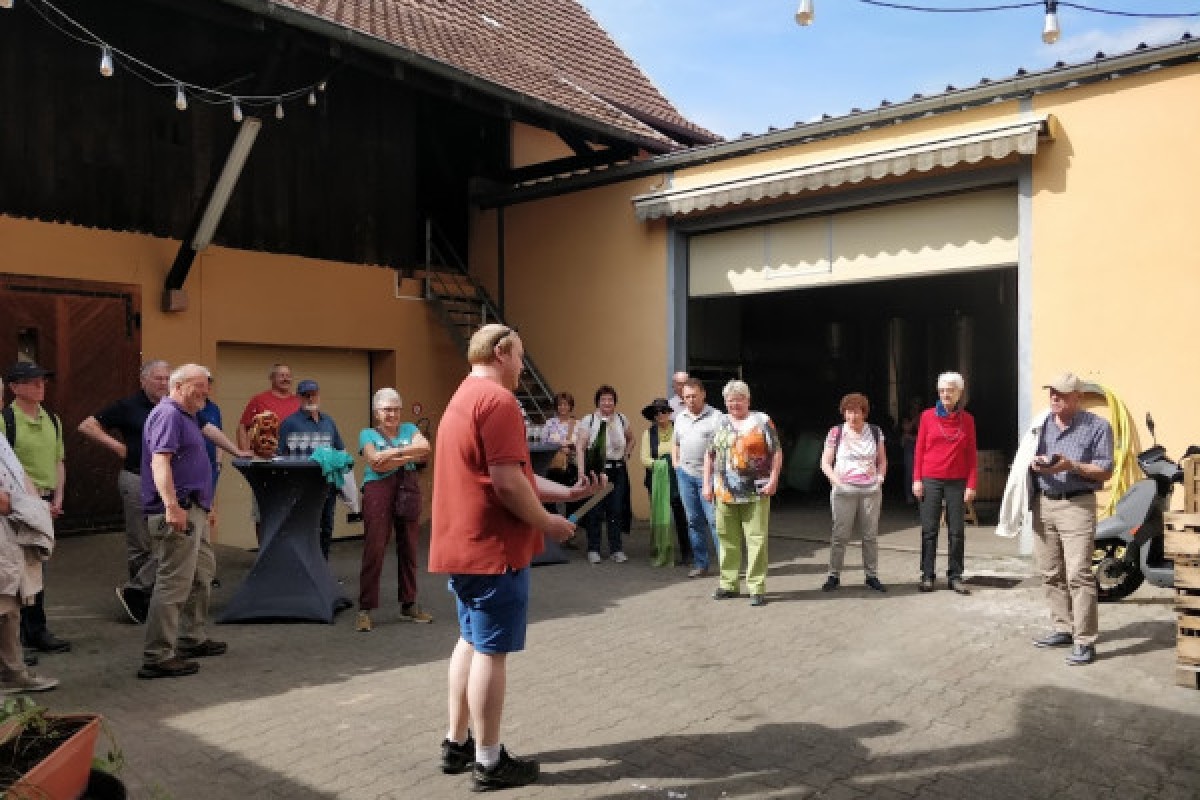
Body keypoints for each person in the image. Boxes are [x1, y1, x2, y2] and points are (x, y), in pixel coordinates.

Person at [429, 324, 605, 791]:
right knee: (491, 650)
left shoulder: (462, 396)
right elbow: (507, 485)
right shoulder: (500, 402)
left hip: (464, 545)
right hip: (494, 549)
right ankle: (488, 762)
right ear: (502, 351)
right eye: (521, 357)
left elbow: (513, 476)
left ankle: (457, 743)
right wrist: (548, 524)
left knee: (469, 639)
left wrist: (566, 492)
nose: (524, 367)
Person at [137, 364, 226, 679]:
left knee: (202, 574)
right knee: (173, 583)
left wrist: (238, 450)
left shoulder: (188, 414)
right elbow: (160, 461)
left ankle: (192, 638)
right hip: (177, 512)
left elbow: (207, 438)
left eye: (207, 385)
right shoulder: (168, 415)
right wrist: (172, 506)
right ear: (179, 385)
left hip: (195, 509)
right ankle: (157, 656)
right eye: (200, 385)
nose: (206, 391)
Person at [1029, 372, 1113, 666]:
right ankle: (1062, 628)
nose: (1054, 397)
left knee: (1079, 574)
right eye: (1052, 392)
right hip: (1044, 504)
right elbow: (1029, 456)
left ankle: (1085, 640)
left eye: (1062, 394)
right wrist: (1035, 463)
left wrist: (1071, 465)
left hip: (1077, 505)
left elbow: (1105, 470)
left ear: (1078, 397)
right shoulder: (1041, 425)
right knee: (1050, 571)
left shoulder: (1098, 426)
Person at [1, 362, 71, 656]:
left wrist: (57, 498)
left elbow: (59, 461)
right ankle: (15, 641)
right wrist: (29, 504)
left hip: (42, 502)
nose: (40, 385)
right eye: (32, 382)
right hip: (14, 505)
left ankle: (35, 631)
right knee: (13, 572)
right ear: (15, 388)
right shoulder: (6, 420)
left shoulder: (52, 419)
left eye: (42, 381)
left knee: (36, 568)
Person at [355, 388, 431, 632]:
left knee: (409, 546)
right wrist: (409, 454)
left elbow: (426, 448)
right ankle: (365, 609)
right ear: (377, 413)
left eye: (396, 409)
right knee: (375, 547)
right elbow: (375, 464)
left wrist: (392, 453)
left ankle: (408, 604)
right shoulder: (366, 433)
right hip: (378, 489)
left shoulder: (409, 428)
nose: (393, 414)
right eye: (387, 410)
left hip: (407, 487)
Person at [702, 381, 782, 606]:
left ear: (748, 400)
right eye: (730, 400)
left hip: (756, 491)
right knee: (727, 539)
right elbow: (709, 455)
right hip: (724, 492)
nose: (734, 403)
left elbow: (776, 452)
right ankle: (728, 584)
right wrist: (706, 485)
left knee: (756, 540)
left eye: (739, 399)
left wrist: (774, 480)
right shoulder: (720, 422)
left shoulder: (762, 421)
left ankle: (756, 587)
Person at [912, 372, 978, 594]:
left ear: (959, 393)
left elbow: (971, 455)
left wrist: (971, 484)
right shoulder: (927, 416)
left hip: (957, 482)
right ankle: (927, 575)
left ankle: (955, 576)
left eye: (950, 390)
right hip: (930, 479)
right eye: (942, 390)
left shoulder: (967, 420)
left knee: (957, 531)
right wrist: (916, 479)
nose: (945, 394)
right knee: (929, 530)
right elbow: (919, 449)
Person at [820, 392, 888, 593]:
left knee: (870, 536)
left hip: (870, 491)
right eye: (849, 412)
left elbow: (882, 460)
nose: (853, 416)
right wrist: (836, 482)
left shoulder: (875, 432)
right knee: (840, 535)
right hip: (844, 490)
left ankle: (871, 576)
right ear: (844, 413)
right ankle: (834, 575)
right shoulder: (836, 432)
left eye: (857, 411)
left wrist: (880, 479)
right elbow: (825, 462)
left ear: (864, 413)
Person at [278, 379, 345, 560]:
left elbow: (340, 450)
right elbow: (279, 455)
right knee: (303, 527)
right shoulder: (289, 423)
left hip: (327, 485)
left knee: (326, 526)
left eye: (313, 394)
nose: (310, 398)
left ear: (319, 395)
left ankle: (322, 570)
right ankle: (301, 571)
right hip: (301, 487)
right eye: (306, 395)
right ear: (299, 397)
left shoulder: (328, 422)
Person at [574, 384, 634, 564]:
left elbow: (631, 439)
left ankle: (616, 549)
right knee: (594, 510)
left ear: (615, 402)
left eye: (610, 399)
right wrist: (582, 472)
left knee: (616, 510)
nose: (607, 402)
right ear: (598, 402)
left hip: (617, 470)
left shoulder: (622, 419)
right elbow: (580, 446)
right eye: (603, 399)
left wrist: (626, 454)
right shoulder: (589, 420)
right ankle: (593, 549)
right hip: (597, 470)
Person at [672, 378, 721, 578]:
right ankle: (701, 564)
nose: (690, 401)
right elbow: (675, 443)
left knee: (715, 521)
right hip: (686, 476)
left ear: (703, 394)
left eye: (693, 396)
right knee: (693, 521)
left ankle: (727, 565)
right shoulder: (680, 417)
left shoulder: (717, 417)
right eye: (686, 397)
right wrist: (676, 463)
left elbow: (724, 447)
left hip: (710, 477)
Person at [639, 397, 691, 567]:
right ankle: (660, 550)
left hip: (678, 479)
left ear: (669, 413)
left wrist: (674, 462)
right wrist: (660, 463)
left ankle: (687, 553)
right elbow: (645, 458)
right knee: (660, 518)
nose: (660, 414)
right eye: (657, 412)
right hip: (657, 479)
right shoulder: (648, 433)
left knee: (681, 517)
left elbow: (687, 450)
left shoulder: (679, 428)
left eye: (663, 411)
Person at [236, 363, 302, 452]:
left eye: (288, 376)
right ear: (272, 378)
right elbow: (242, 427)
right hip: (266, 456)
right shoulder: (259, 400)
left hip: (294, 455)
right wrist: (244, 452)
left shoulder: (299, 401)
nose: (285, 379)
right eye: (281, 376)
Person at [900, 397, 922, 505]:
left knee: (920, 471)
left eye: (917, 404)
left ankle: (918, 494)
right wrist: (915, 419)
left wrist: (910, 436)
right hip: (909, 446)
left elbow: (922, 432)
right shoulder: (907, 416)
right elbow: (907, 428)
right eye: (914, 404)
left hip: (920, 446)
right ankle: (909, 494)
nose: (915, 406)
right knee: (909, 471)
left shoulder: (923, 416)